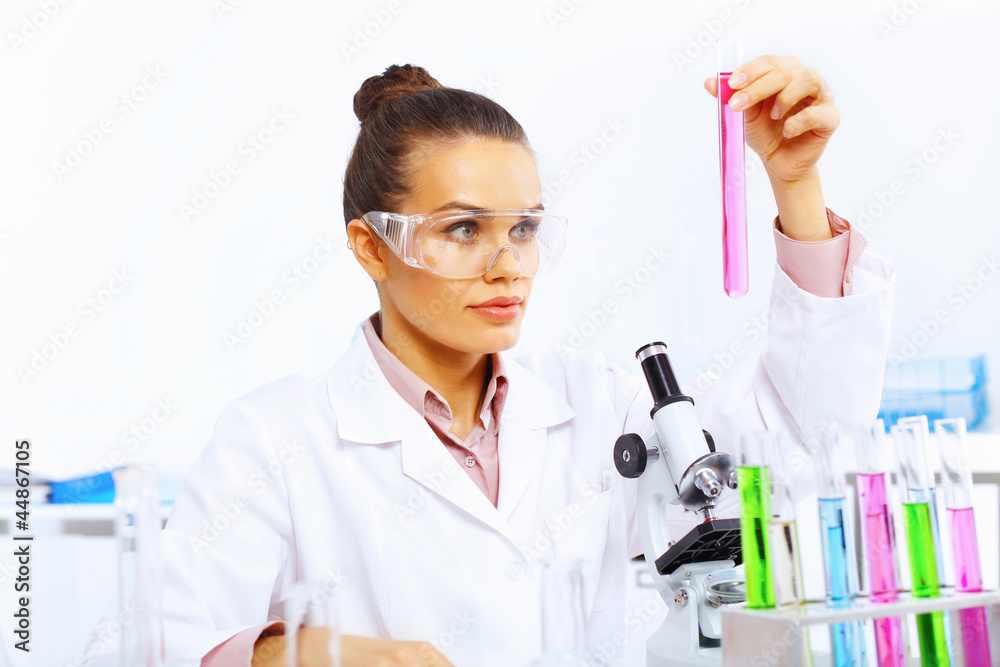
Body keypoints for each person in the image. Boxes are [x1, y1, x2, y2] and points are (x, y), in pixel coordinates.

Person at [84, 59, 894, 666]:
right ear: (371, 246)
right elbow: (157, 644)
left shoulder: (594, 407)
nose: (509, 265)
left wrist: (796, 184)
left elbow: (803, 438)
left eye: (524, 228)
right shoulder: (275, 439)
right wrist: (301, 652)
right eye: (464, 229)